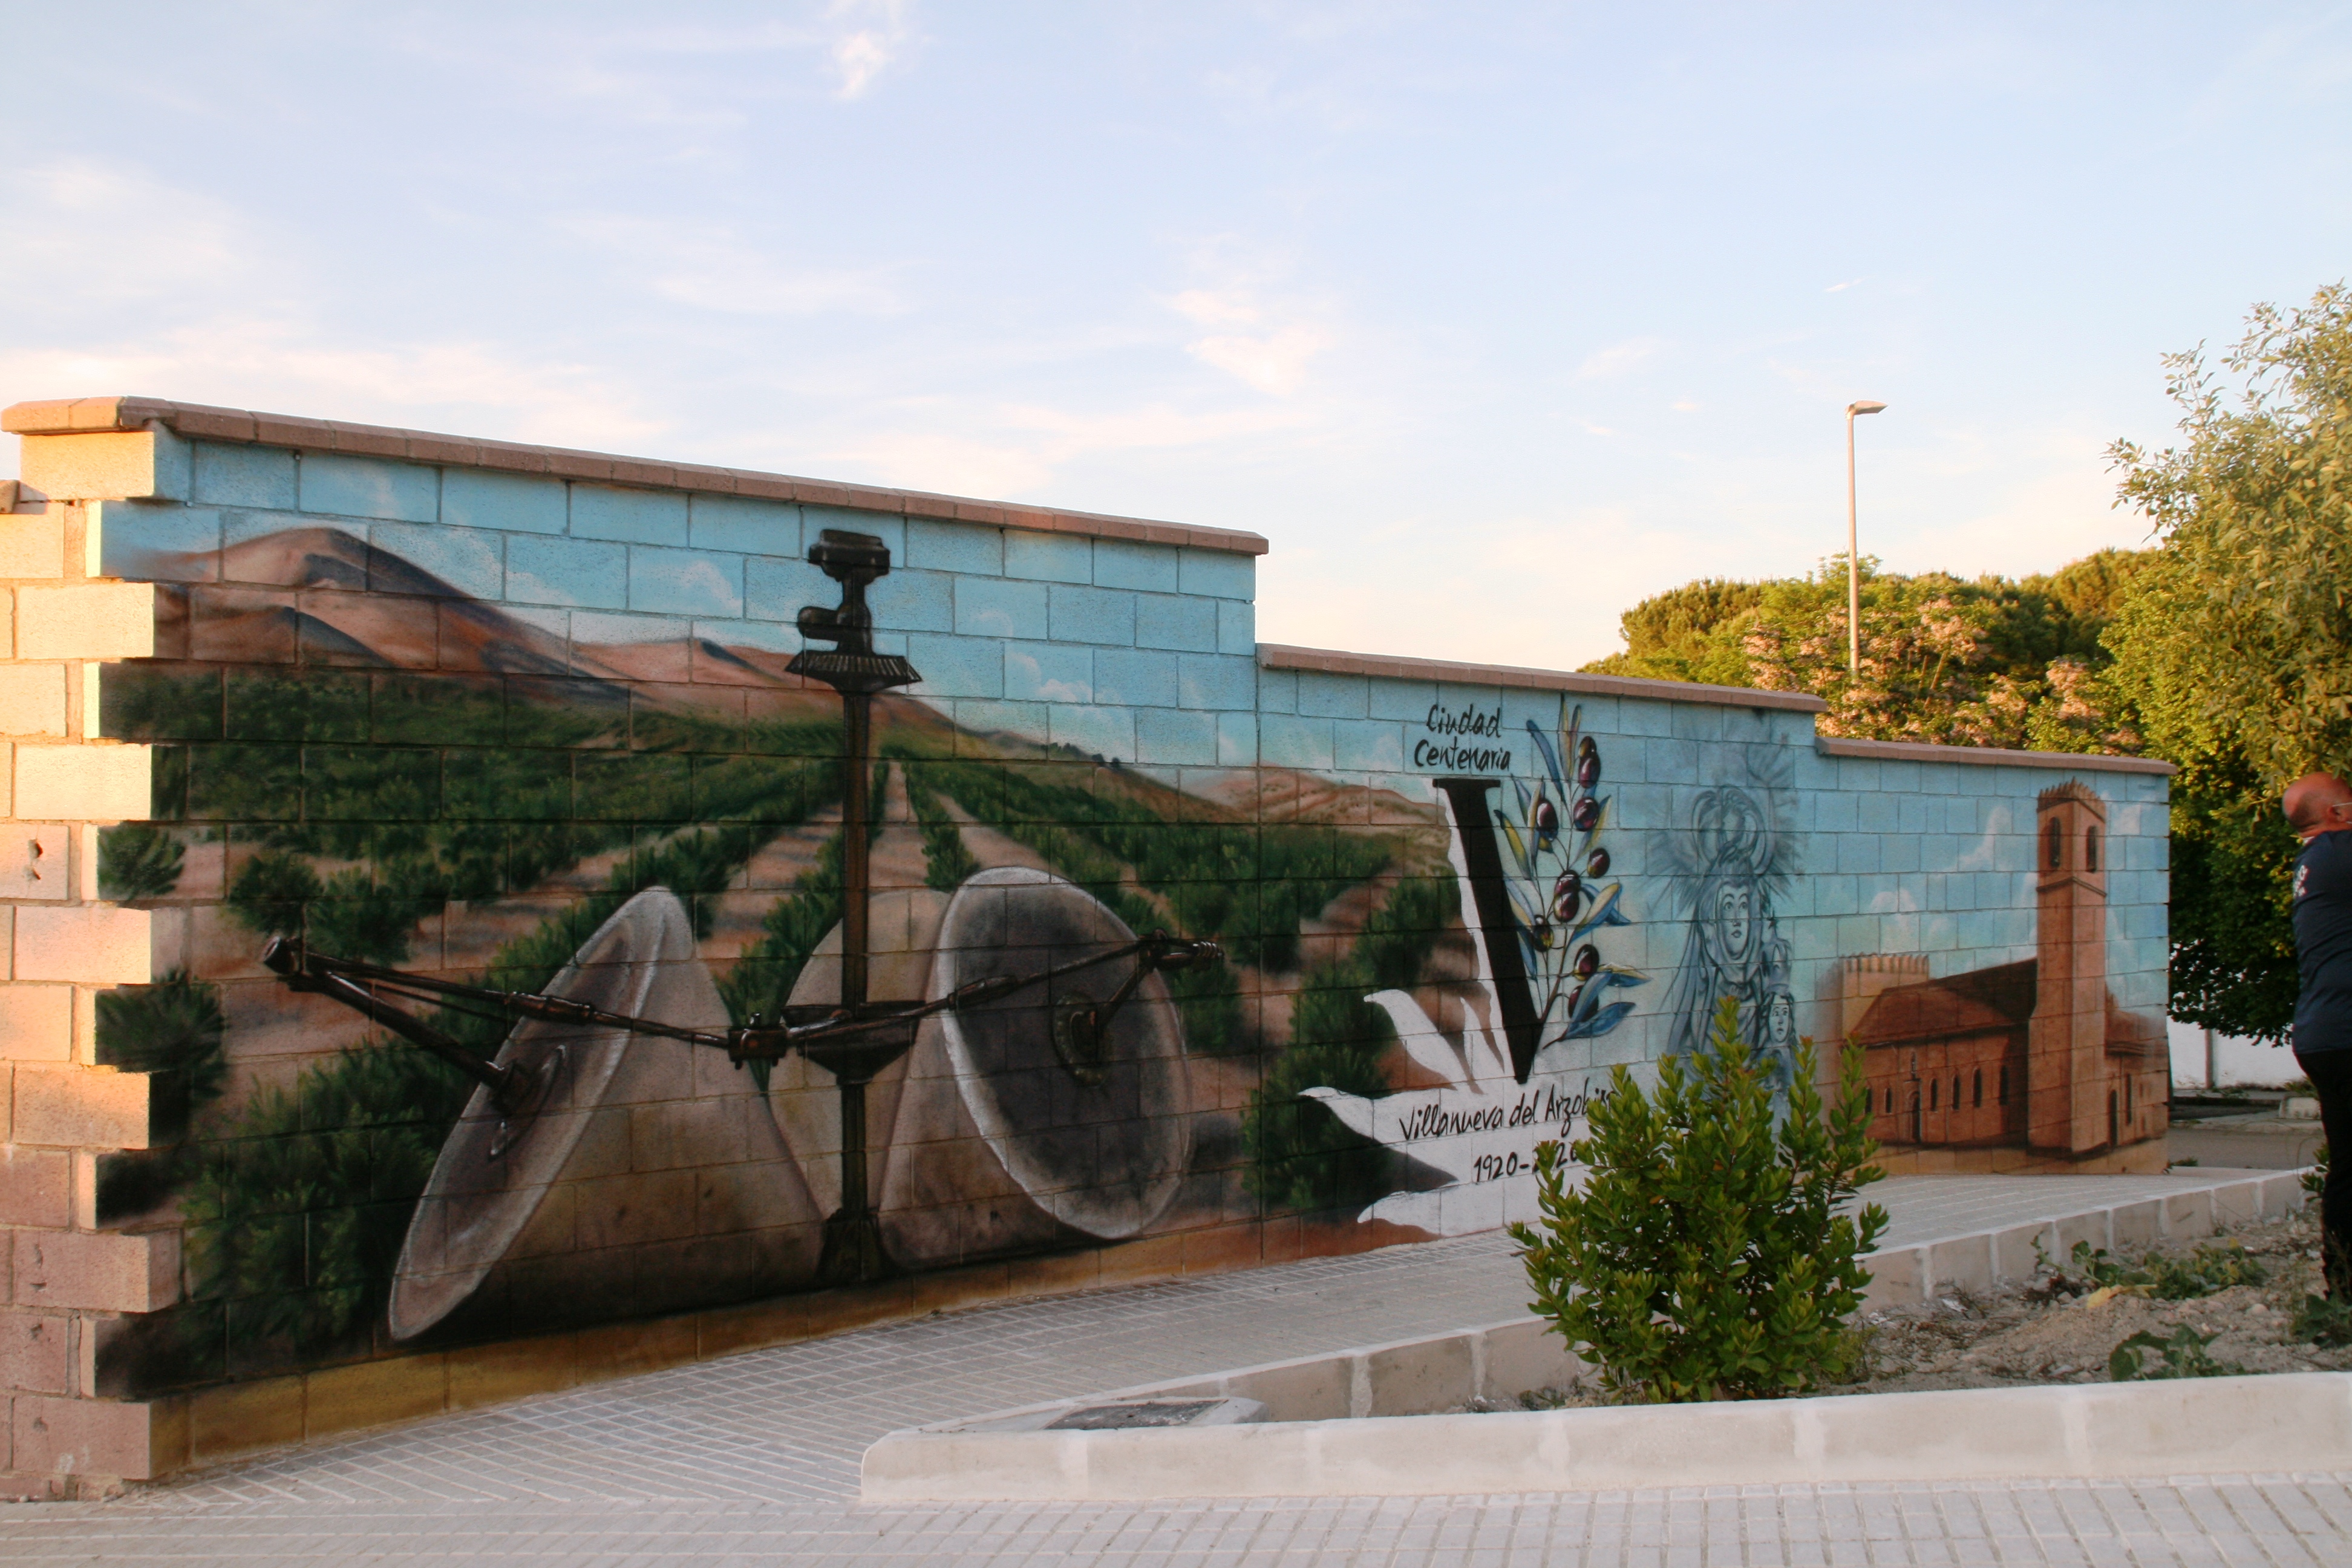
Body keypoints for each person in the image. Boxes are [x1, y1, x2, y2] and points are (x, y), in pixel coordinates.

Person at [2284, 771, 2352, 1299]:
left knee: (2348, 1166)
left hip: (2325, 1033)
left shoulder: (2317, 861)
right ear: (2335, 814)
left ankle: (2344, 1284)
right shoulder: (2339, 852)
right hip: (2346, 1034)